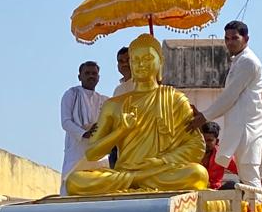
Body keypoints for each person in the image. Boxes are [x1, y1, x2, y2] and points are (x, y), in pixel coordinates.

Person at [66, 35, 207, 195]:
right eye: (136, 59)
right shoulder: (114, 104)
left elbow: (196, 145)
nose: (141, 64)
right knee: (75, 181)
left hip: (159, 170)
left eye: (147, 58)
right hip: (125, 172)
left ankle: (135, 183)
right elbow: (92, 153)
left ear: (160, 62)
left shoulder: (175, 99)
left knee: (197, 174)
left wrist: (161, 161)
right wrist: (121, 131)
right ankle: (139, 181)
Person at [188, 20, 262, 187]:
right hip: (238, 124)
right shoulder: (238, 61)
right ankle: (254, 209)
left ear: (246, 38)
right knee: (245, 171)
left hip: (248, 125)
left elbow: (229, 96)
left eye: (234, 38)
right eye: (227, 38)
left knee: (249, 171)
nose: (230, 42)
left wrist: (203, 117)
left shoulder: (248, 62)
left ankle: (257, 211)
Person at [60, 61, 108, 192]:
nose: (91, 76)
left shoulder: (104, 100)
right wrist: (84, 133)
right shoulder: (71, 94)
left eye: (94, 73)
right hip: (76, 153)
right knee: (71, 185)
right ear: (79, 76)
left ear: (98, 77)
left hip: (98, 155)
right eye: (87, 73)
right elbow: (66, 122)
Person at [200, 121, 239, 189]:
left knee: (233, 185)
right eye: (203, 140)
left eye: (209, 140)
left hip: (215, 192)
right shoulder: (192, 151)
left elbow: (244, 172)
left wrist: (261, 187)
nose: (205, 143)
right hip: (193, 190)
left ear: (216, 141)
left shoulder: (222, 154)